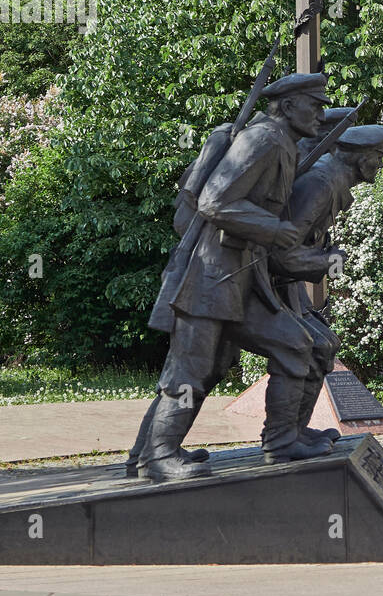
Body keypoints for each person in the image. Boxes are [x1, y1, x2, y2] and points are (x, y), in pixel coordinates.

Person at [133, 73, 334, 482]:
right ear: (288, 105)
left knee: (266, 349)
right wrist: (276, 230)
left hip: (238, 278)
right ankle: (157, 457)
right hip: (210, 277)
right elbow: (214, 201)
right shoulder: (264, 140)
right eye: (314, 104)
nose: (321, 113)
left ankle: (147, 454)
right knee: (192, 367)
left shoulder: (282, 144)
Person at [270, 124, 383, 442]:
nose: (381, 163)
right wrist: (327, 261)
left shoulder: (333, 181)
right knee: (308, 347)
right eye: (379, 156)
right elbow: (280, 254)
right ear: (362, 159)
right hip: (266, 284)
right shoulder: (320, 184)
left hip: (288, 286)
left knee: (325, 346)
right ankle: (281, 438)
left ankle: (294, 432)